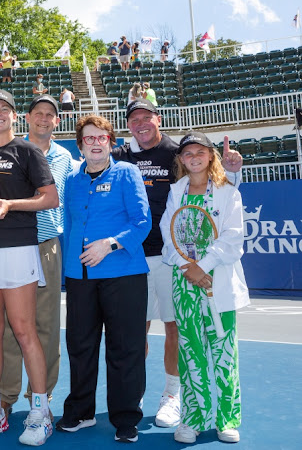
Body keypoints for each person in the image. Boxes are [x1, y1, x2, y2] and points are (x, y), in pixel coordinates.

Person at [111, 98, 242, 430]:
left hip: (177, 266)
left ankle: (174, 396)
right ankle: (135, 394)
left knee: (180, 331)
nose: (141, 123)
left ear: (159, 119)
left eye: (147, 117)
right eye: (134, 119)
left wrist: (233, 171)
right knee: (137, 331)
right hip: (137, 260)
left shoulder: (175, 151)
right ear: (129, 125)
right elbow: (92, 162)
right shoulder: (124, 158)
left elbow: (223, 203)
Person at [0, 89, 59, 446]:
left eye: (5, 108)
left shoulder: (28, 151)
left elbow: (50, 198)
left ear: (14, 116)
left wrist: (10, 204)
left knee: (24, 331)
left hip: (18, 248)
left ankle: (40, 412)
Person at [56, 114, 151, 443]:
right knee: (79, 345)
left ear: (110, 142)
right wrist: (70, 271)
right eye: (88, 138)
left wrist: (110, 244)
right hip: (80, 277)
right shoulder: (72, 180)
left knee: (125, 347)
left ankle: (125, 417)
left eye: (101, 138)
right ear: (80, 144)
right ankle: (81, 411)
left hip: (123, 274)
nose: (95, 143)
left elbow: (142, 223)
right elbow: (69, 226)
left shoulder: (127, 173)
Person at [160, 131, 249, 444]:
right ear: (181, 160)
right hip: (185, 283)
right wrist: (189, 268)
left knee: (224, 352)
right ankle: (193, 418)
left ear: (211, 156)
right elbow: (168, 233)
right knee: (190, 351)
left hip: (217, 283)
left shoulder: (228, 192)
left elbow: (233, 237)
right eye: (188, 153)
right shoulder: (176, 191)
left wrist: (204, 267)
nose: (194, 157)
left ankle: (226, 419)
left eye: (200, 152)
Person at [0, 94, 74, 425]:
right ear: (27, 118)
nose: (44, 118)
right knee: (9, 328)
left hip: (47, 247)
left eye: (50, 115)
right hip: (12, 246)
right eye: (38, 113)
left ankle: (40, 396)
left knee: (46, 326)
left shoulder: (67, 159)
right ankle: (5, 397)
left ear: (57, 121)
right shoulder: (9, 151)